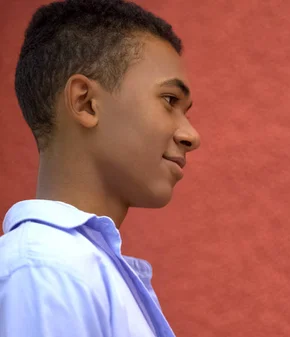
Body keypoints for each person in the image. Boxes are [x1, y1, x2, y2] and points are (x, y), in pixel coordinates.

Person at [0, 0, 200, 336]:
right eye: (169, 101)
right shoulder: (46, 270)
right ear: (85, 103)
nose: (191, 135)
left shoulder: (76, 268)